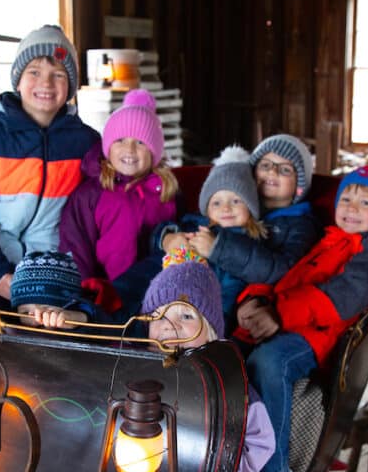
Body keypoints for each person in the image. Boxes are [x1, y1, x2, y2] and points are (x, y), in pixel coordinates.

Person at [237, 165, 368, 472]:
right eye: (346, 198)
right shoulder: (324, 237)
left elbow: (341, 298)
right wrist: (255, 299)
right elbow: (283, 272)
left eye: (365, 202)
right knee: (221, 357)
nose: (351, 207)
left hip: (317, 337)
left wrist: (279, 315)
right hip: (279, 318)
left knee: (270, 362)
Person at [140, 254, 275, 472]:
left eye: (186, 315)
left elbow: (259, 441)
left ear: (211, 331)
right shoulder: (140, 373)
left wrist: (225, 466)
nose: (169, 326)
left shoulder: (228, 385)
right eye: (158, 316)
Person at [0, 24, 99, 302]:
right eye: (34, 72)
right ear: (17, 79)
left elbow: (99, 209)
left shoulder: (85, 143)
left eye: (58, 75)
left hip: (53, 271)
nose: (46, 84)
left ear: (71, 86)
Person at [159, 134, 321, 287]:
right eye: (265, 165)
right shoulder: (230, 206)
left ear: (299, 187)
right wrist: (167, 238)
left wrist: (219, 249)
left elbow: (284, 271)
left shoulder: (300, 225)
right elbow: (191, 223)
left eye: (285, 169)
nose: (272, 172)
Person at [58, 89, 179, 288]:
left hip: (156, 294)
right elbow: (76, 245)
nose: (129, 150)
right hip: (105, 294)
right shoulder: (91, 194)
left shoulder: (166, 191)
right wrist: (86, 291)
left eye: (140, 142)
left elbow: (176, 238)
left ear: (154, 151)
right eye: (120, 140)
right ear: (108, 147)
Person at [153, 145, 266, 334]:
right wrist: (167, 237)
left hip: (204, 317)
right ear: (206, 208)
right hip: (168, 300)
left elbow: (231, 291)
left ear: (251, 206)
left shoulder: (246, 242)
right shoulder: (194, 225)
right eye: (217, 202)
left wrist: (214, 323)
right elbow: (158, 236)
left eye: (236, 201)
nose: (226, 208)